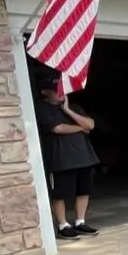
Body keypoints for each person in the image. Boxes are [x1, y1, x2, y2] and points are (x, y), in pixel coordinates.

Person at [34, 76, 100, 239]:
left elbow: (90, 125)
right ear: (44, 92)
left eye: (62, 89)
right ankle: (63, 225)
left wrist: (68, 110)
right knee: (60, 193)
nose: (61, 93)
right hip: (61, 159)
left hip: (84, 156)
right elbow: (58, 128)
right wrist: (80, 127)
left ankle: (80, 222)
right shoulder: (41, 109)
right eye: (56, 90)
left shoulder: (74, 107)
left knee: (84, 190)